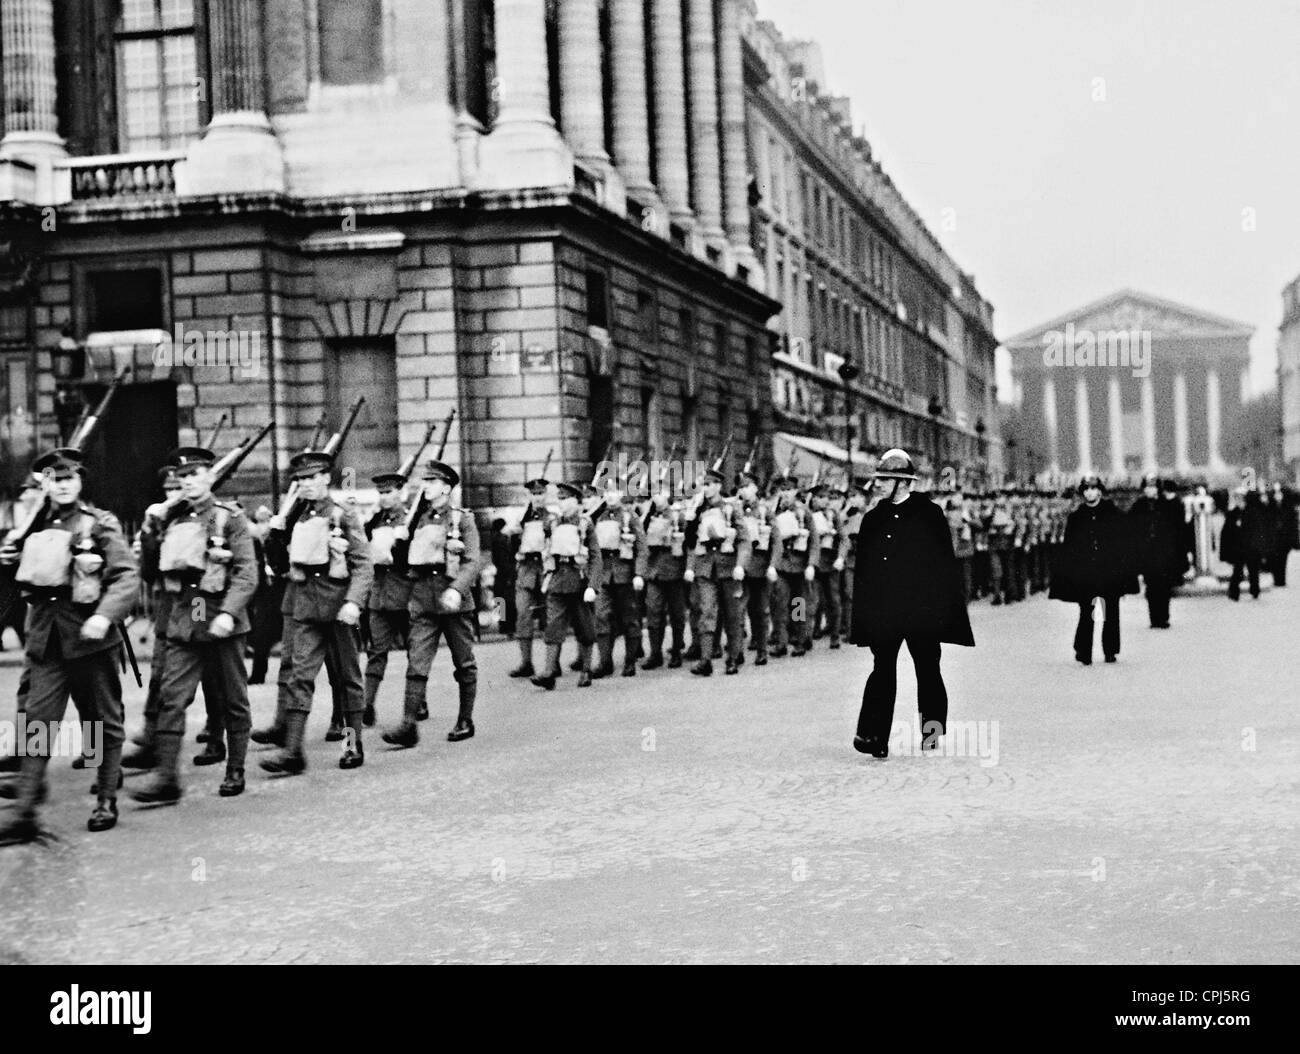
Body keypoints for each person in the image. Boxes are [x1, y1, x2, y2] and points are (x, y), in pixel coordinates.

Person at [0, 448, 138, 843]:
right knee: (38, 723)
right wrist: (8, 556)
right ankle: (25, 812)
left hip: (90, 638)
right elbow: (20, 572)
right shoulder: (32, 524)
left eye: (68, 479)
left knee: (102, 721)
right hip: (47, 640)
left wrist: (104, 615)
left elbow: (126, 576)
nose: (61, 486)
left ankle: (106, 797)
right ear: (44, 483)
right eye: (53, 479)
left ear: (79, 483)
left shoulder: (99, 524)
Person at [131, 447, 257, 801]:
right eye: (182, 477)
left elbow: (247, 573)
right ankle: (167, 779)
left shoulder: (229, 518)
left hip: (217, 614)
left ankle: (235, 769)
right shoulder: (170, 518)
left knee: (233, 697)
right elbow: (149, 571)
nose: (188, 482)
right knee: (172, 697)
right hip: (187, 616)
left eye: (195, 475)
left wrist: (230, 613)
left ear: (211, 476)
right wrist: (149, 530)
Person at [849, 449, 974, 759]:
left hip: (923, 611)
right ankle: (873, 736)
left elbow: (945, 567)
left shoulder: (930, 515)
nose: (876, 484)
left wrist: (943, 612)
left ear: (903, 483)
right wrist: (865, 617)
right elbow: (863, 572)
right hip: (885, 611)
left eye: (884, 479)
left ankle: (931, 733)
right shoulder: (873, 519)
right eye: (877, 479)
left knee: (928, 670)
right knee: (882, 670)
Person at [259, 450, 373, 775]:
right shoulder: (296, 515)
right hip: (306, 608)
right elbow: (280, 566)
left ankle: (352, 744)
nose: (306, 484)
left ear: (326, 477)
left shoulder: (343, 514)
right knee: (299, 677)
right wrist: (275, 534)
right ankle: (293, 752)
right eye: (300, 480)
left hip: (339, 609)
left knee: (349, 680)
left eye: (311, 478)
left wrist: (354, 602)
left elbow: (363, 564)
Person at [382, 459, 484, 747]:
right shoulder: (418, 518)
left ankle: (465, 719)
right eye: (424, 481)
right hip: (422, 598)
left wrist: (457, 588)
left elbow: (472, 560)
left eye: (431, 482)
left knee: (463, 662)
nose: (424, 486)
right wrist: (399, 542)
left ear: (447, 487)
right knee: (417, 663)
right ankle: (408, 725)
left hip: (452, 599)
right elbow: (403, 564)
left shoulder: (463, 519)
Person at [1050, 474, 1138, 664]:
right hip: (1086, 573)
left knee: (1110, 612)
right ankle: (1084, 651)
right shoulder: (1076, 517)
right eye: (1086, 489)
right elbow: (1070, 548)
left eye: (1093, 488)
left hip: (1108, 571)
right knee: (1087, 612)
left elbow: (1123, 543)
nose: (1090, 492)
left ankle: (1110, 650)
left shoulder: (1112, 513)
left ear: (1100, 491)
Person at [531, 481, 602, 690]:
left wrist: (593, 586)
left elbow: (596, 558)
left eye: (565, 499)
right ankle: (549, 672)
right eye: (559, 499)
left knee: (585, 628)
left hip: (580, 582)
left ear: (576, 502)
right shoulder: (551, 523)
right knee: (553, 627)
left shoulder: (585, 524)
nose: (561, 503)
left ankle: (586, 669)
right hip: (557, 581)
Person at [684, 467, 749, 676]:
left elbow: (744, 540)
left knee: (733, 614)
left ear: (719, 486)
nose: (706, 488)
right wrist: (690, 567)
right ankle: (706, 659)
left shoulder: (731, 508)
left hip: (728, 567)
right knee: (706, 612)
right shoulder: (699, 510)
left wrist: (740, 564)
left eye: (710, 484)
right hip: (705, 568)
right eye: (704, 484)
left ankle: (732, 658)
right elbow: (691, 541)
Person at [362, 470, 413, 727]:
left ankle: (418, 702)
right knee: (376, 651)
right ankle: (367, 704)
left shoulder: (410, 520)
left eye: (388, 492)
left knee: (414, 651)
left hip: (405, 593)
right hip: (379, 593)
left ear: (401, 492)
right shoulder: (375, 521)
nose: (384, 497)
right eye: (380, 493)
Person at [1127, 475, 1189, 628]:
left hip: (1164, 552)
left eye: (1153, 487)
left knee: (1164, 586)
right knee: (1151, 586)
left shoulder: (1167, 505)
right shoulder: (1139, 506)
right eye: (1147, 487)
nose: (1150, 490)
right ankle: (1154, 618)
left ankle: (1164, 617)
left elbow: (1177, 528)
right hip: (1146, 554)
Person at [508, 474, 552, 677]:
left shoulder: (552, 517)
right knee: (523, 615)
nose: (538, 497)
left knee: (551, 617)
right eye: (534, 494)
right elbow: (509, 542)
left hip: (545, 569)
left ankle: (552, 664)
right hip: (526, 569)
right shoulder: (521, 517)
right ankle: (526, 663)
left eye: (541, 493)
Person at [1220, 487, 1268, 601]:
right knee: (1238, 571)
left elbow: (1258, 531)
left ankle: (1254, 590)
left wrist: (1258, 547)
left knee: (1253, 570)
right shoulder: (1233, 514)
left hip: (1251, 547)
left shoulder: (1252, 512)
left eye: (1240, 498)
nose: (1238, 500)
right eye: (1236, 498)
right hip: (1239, 547)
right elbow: (1227, 533)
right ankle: (1234, 592)